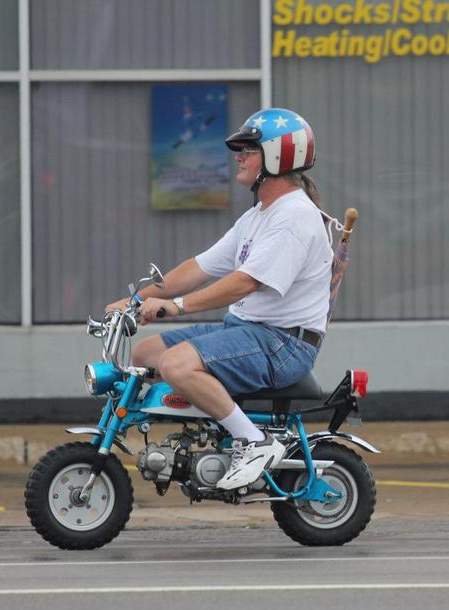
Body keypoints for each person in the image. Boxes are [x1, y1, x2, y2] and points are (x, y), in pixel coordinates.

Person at [105, 107, 332, 491]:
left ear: (278, 158)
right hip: (247, 331)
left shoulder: (294, 217)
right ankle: (204, 437)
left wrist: (177, 307)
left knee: (176, 363)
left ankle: (255, 441)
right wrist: (132, 302)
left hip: (283, 343)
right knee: (146, 354)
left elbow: (245, 283)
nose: (239, 156)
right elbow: (197, 268)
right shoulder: (259, 215)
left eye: (249, 149)